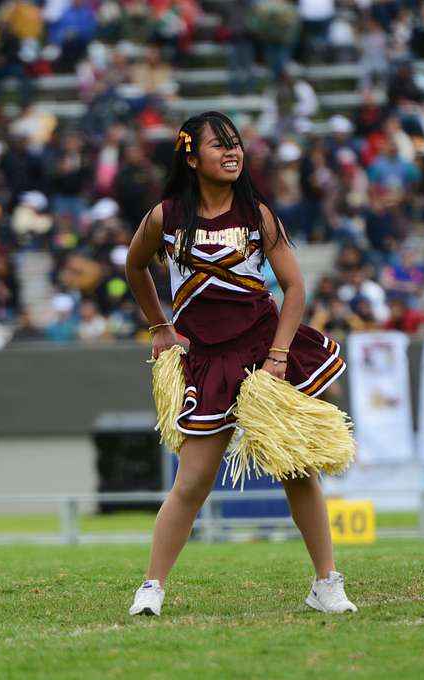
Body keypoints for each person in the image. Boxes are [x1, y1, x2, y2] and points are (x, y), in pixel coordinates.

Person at [124, 112, 357, 617]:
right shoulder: (165, 216)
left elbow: (295, 287)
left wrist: (277, 355)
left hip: (261, 355)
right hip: (207, 361)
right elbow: (134, 264)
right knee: (191, 482)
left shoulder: (258, 215)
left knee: (298, 470)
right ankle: (151, 588)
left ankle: (326, 582)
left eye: (236, 144)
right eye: (219, 145)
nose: (232, 153)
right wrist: (159, 325)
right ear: (191, 157)